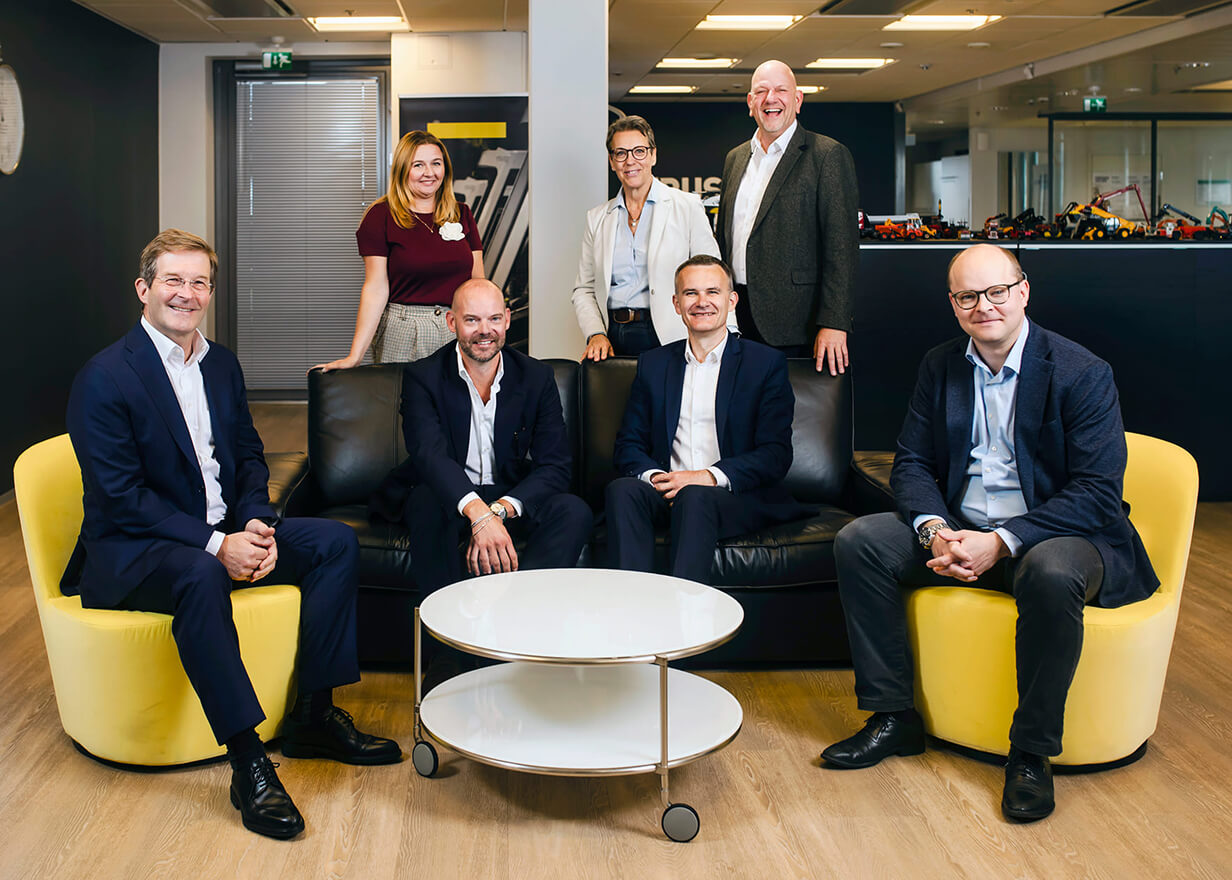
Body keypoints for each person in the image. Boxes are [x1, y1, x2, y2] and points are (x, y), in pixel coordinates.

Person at [63, 229, 400, 841]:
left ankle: (313, 715)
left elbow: (247, 456)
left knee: (333, 543)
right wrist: (218, 546)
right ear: (144, 289)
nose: (186, 294)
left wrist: (254, 523)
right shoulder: (105, 377)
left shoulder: (220, 364)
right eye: (173, 280)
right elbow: (122, 498)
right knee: (199, 572)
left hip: (221, 530)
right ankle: (248, 762)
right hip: (133, 550)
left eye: (199, 283)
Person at [820, 244, 1158, 822]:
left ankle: (1030, 753)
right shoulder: (941, 365)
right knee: (861, 542)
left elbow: (1097, 492)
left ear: (1023, 291)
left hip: (1056, 535)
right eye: (968, 296)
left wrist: (1001, 542)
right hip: (961, 527)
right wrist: (934, 531)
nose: (984, 306)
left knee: (1051, 575)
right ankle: (894, 717)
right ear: (953, 305)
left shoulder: (1081, 371)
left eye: (997, 291)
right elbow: (913, 464)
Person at [376, 278, 593, 593]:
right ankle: (446, 626)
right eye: (471, 320)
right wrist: (477, 513)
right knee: (425, 503)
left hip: (506, 492)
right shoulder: (422, 378)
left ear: (506, 319)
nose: (484, 330)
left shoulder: (536, 377)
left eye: (493, 319)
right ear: (452, 322)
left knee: (574, 511)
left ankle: (520, 608)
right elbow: (429, 455)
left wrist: (497, 511)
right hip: (446, 493)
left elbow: (556, 464)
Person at [605, 255, 806, 584]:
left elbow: (775, 454)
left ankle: (686, 619)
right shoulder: (653, 364)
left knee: (695, 496)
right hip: (667, 491)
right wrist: (659, 478)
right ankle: (632, 610)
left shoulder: (765, 364)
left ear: (731, 301)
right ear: (676, 303)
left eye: (712, 292)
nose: (702, 303)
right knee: (622, 490)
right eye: (690, 293)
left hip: (732, 496)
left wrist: (706, 478)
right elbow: (628, 444)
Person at [717, 60, 859, 376]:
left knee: (792, 420)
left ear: (797, 100)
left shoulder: (827, 156)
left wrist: (834, 322)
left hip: (797, 325)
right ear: (750, 102)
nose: (771, 99)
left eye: (781, 90)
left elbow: (842, 249)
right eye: (761, 91)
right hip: (737, 318)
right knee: (742, 415)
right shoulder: (735, 158)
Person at [313, 130, 484, 371]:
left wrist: (483, 328)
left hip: (456, 326)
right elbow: (375, 288)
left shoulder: (462, 213)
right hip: (403, 329)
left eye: (436, 163)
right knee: (403, 406)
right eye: (418, 165)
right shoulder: (381, 215)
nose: (429, 173)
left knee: (457, 405)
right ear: (403, 170)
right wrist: (355, 356)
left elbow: (478, 282)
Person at [573, 115, 729, 360]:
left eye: (639, 151)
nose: (630, 161)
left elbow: (715, 278)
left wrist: (728, 332)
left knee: (668, 398)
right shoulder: (597, 218)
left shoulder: (686, 207)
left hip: (670, 333)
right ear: (612, 162)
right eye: (621, 153)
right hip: (612, 338)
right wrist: (595, 333)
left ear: (653, 155)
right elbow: (584, 289)